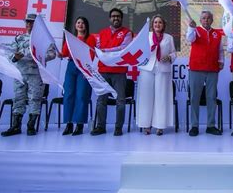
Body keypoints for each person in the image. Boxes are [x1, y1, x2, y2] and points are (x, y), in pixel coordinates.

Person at [1, 14, 57, 137]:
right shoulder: (19, 38)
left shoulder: (44, 39)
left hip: (36, 74)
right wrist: (14, 57)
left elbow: (52, 54)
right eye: (27, 22)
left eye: (32, 22)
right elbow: (10, 53)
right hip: (20, 73)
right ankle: (15, 126)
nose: (29, 24)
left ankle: (31, 126)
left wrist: (36, 57)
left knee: (34, 99)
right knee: (18, 99)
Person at [91, 8, 133, 136]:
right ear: (110, 18)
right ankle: (100, 127)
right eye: (113, 16)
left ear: (121, 18)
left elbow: (124, 49)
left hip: (119, 71)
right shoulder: (102, 33)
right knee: (101, 101)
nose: (116, 18)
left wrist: (106, 51)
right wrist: (104, 51)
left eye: (118, 16)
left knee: (120, 101)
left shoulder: (127, 33)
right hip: (103, 70)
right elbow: (98, 49)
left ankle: (118, 127)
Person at [137, 15, 176, 135]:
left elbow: (174, 53)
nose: (157, 24)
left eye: (160, 22)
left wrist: (169, 57)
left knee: (161, 97)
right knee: (146, 97)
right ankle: (146, 125)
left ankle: (160, 125)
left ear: (163, 25)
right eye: (155, 23)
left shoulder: (169, 37)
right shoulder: (146, 36)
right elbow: (138, 50)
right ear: (152, 25)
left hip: (162, 69)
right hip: (147, 68)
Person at [186, 11, 223, 137]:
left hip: (212, 69)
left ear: (212, 20)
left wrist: (221, 61)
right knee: (194, 98)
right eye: (203, 18)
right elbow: (189, 38)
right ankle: (194, 126)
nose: (206, 20)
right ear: (200, 20)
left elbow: (220, 50)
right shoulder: (195, 30)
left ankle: (211, 126)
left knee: (211, 98)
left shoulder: (217, 33)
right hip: (196, 68)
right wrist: (191, 27)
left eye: (208, 18)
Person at [60, 17, 96, 136]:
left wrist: (87, 71)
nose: (80, 25)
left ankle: (79, 124)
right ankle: (69, 123)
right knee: (68, 94)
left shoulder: (91, 38)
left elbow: (91, 55)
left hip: (83, 67)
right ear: (75, 25)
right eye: (78, 23)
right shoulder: (70, 38)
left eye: (83, 23)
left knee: (81, 95)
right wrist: (58, 54)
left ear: (86, 26)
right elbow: (64, 53)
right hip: (71, 66)